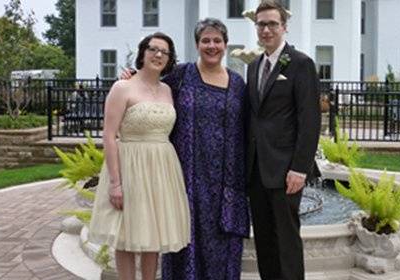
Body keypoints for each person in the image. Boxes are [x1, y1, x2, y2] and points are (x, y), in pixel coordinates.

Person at [122, 18, 249, 280]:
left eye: (217, 40)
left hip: (226, 182)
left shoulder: (237, 84)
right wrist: (130, 78)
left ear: (225, 45)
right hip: (185, 177)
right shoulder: (181, 75)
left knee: (223, 248)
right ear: (197, 45)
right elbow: (150, 86)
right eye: (205, 40)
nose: (211, 45)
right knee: (184, 240)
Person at [88, 32, 191, 280]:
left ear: (169, 58)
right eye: (153, 49)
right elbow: (109, 136)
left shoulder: (168, 89)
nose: (158, 55)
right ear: (142, 53)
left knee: (152, 233)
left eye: (164, 52)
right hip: (130, 165)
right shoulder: (123, 87)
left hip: (162, 168)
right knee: (126, 234)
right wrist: (115, 182)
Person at [246, 1, 321, 280]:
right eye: (261, 24)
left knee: (286, 239)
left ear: (284, 27)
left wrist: (300, 168)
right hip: (256, 170)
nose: (266, 29)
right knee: (264, 238)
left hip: (286, 169)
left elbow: (310, 119)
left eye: (272, 24)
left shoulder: (300, 63)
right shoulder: (253, 66)